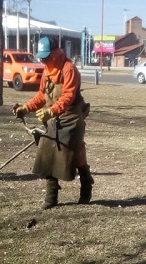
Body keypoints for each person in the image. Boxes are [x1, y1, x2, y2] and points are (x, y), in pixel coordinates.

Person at [13, 36, 93, 209]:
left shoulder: (68, 69)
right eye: (41, 57)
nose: (43, 60)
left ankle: (86, 186)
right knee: (46, 153)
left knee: (75, 156)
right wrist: (26, 108)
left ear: (56, 53)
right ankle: (51, 197)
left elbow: (68, 96)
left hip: (71, 118)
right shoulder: (47, 71)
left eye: (46, 57)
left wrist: (51, 111)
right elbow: (43, 95)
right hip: (53, 118)